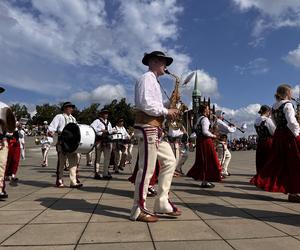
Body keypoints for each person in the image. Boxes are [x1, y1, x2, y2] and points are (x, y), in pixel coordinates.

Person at [130, 51, 181, 223]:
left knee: (170, 161)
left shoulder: (155, 82)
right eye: (163, 62)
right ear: (153, 62)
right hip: (147, 126)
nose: (165, 66)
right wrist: (167, 111)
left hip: (156, 127)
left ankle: (162, 202)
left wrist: (171, 102)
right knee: (147, 169)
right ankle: (138, 209)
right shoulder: (146, 78)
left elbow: (155, 104)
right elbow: (145, 104)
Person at [251, 84, 300, 202]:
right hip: (288, 136)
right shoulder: (288, 104)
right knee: (295, 162)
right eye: (291, 92)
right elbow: (292, 122)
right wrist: (297, 134)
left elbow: (274, 122)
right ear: (287, 93)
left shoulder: (273, 107)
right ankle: (293, 191)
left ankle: (292, 191)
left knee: (282, 163)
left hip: (279, 135)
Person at [48, 102, 82, 188]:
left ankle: (73, 182)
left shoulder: (73, 119)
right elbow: (52, 127)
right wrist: (51, 131)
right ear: (65, 108)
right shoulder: (59, 117)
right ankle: (59, 180)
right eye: (70, 107)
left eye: (72, 107)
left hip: (72, 143)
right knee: (61, 162)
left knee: (73, 162)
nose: (71, 109)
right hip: (62, 142)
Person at [187, 104, 222, 188]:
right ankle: (205, 181)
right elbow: (205, 132)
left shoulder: (199, 119)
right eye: (208, 109)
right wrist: (214, 136)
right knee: (209, 160)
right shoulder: (205, 119)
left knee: (203, 161)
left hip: (200, 142)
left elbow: (196, 130)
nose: (209, 110)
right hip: (206, 141)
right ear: (204, 110)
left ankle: (204, 179)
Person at [91, 109, 114, 180]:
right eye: (104, 113)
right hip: (99, 140)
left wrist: (111, 132)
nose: (106, 115)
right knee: (98, 158)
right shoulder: (97, 121)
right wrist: (101, 130)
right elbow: (91, 127)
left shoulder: (109, 123)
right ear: (101, 114)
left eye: (107, 113)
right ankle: (96, 173)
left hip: (107, 141)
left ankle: (105, 173)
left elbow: (110, 130)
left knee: (107, 158)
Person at [254, 105, 276, 174]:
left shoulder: (256, 120)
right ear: (267, 111)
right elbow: (274, 132)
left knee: (261, 160)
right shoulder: (267, 120)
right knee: (269, 159)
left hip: (260, 141)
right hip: (268, 141)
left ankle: (260, 175)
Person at [215, 110, 236, 176]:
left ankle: (224, 170)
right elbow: (229, 130)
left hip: (221, 142)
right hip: (221, 142)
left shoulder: (217, 122)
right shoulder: (219, 121)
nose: (223, 116)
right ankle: (218, 172)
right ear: (219, 115)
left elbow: (225, 128)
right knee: (221, 159)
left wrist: (229, 125)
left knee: (228, 156)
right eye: (222, 115)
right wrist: (233, 127)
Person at [0, 87, 11, 198]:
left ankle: (0, 189)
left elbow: (11, 125)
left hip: (2, 139)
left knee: (2, 164)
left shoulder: (5, 106)